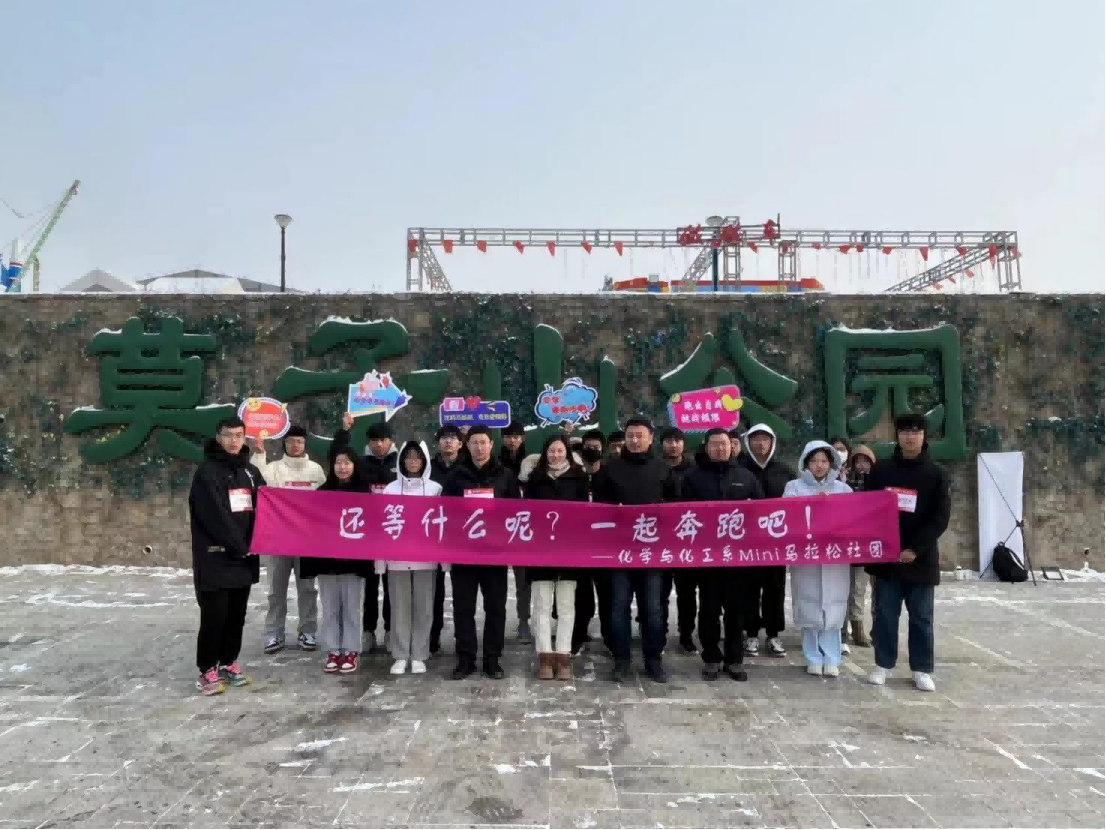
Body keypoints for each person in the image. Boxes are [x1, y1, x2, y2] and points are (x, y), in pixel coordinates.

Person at [865, 413, 951, 693]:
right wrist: (884, 545)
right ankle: (883, 664)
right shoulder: (882, 471)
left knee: (922, 618)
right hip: (888, 559)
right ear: (898, 436)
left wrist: (915, 548)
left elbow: (940, 517)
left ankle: (922, 668)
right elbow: (868, 509)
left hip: (920, 559)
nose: (909, 437)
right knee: (885, 616)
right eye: (904, 432)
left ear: (924, 437)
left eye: (915, 432)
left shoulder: (937, 474)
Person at [592, 417, 674, 683]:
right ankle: (622, 659)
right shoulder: (610, 469)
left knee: (653, 609)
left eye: (640, 435)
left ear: (651, 438)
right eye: (630, 436)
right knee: (618, 608)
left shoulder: (663, 469)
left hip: (652, 552)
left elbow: (676, 507)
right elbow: (598, 508)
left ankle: (653, 659)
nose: (635, 440)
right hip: (620, 553)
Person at [189, 417, 266, 695]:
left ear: (245, 438)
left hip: (244, 559)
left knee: (236, 614)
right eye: (228, 435)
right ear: (218, 437)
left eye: (238, 435)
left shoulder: (250, 472)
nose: (234, 441)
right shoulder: (207, 473)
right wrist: (239, 545)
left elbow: (268, 504)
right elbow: (214, 516)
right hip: (216, 558)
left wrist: (264, 539)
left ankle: (229, 662)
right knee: (215, 615)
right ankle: (207, 669)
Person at [682, 428, 765, 681]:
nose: (719, 448)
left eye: (724, 444)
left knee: (736, 611)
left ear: (732, 447)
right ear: (706, 447)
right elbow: (683, 514)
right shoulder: (692, 477)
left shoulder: (746, 477)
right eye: (714, 444)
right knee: (708, 610)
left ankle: (735, 659)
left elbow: (761, 513)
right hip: (706, 557)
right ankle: (711, 658)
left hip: (737, 558)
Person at [442, 425, 520, 679]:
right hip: (464, 554)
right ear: (467, 445)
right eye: (474, 442)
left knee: (496, 608)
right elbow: (445, 511)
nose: (479, 447)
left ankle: (492, 659)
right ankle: (465, 659)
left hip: (494, 554)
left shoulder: (504, 475)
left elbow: (515, 512)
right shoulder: (456, 476)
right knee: (463, 609)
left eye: (483, 442)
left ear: (491, 445)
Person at [300, 416, 376, 674]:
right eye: (338, 463)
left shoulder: (364, 493)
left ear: (354, 465)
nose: (342, 467)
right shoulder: (322, 493)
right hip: (328, 561)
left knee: (352, 608)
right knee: (330, 607)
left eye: (347, 463)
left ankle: (351, 650)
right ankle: (333, 649)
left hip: (355, 562)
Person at [249, 425, 326, 654]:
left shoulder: (315, 470)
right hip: (278, 540)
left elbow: (325, 503)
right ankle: (274, 633)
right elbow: (256, 482)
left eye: (299, 441)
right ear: (284, 443)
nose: (295, 445)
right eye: (291, 441)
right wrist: (259, 453)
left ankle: (308, 631)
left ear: (305, 444)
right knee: (276, 590)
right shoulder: (273, 468)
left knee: (308, 590)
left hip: (307, 542)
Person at [520, 434, 590, 680]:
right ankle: (545, 657)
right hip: (541, 551)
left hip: (570, 551)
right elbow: (526, 513)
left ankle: (563, 656)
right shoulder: (535, 479)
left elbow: (585, 514)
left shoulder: (579, 478)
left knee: (567, 606)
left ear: (567, 452)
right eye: (552, 450)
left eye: (560, 450)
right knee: (541, 605)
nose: (556, 455)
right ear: (545, 453)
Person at [784, 441, 853, 678]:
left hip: (834, 558)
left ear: (831, 463)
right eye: (814, 461)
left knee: (834, 605)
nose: (819, 465)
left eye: (824, 460)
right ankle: (812, 657)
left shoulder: (843, 489)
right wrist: (812, 504)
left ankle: (832, 658)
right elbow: (787, 516)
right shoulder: (793, 487)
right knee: (809, 604)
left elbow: (853, 519)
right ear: (805, 463)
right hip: (807, 556)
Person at [379, 441, 444, 675]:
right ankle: (400, 654)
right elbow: (382, 526)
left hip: (427, 559)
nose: (413, 461)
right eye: (408, 457)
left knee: (424, 608)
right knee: (399, 608)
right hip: (396, 560)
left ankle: (419, 654)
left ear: (424, 461)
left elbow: (442, 524)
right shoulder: (390, 489)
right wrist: (380, 560)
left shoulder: (436, 489)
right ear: (401, 461)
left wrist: (444, 559)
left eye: (417, 457)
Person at [739, 424, 794, 657]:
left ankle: (773, 634)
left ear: (772, 442)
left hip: (776, 543)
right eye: (756, 439)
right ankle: (751, 633)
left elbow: (796, 503)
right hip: (747, 542)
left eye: (765, 439)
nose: (760, 444)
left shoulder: (784, 471)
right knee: (749, 589)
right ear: (748, 442)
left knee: (775, 588)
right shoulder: (740, 469)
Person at [658, 427, 698, 654]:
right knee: (659, 592)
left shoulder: (694, 470)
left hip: (687, 541)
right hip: (659, 540)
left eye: (677, 441)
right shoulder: (655, 468)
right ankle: (659, 632)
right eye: (668, 441)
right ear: (661, 444)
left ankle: (686, 634)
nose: (673, 445)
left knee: (687, 592)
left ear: (683, 444)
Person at [428, 424, 464, 655]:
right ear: (438, 443)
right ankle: (432, 637)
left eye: (453, 437)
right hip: (433, 535)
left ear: (461, 443)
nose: (448, 441)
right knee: (434, 590)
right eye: (444, 438)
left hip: (462, 536)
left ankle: (463, 640)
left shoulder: (468, 467)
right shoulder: (428, 468)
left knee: (462, 592)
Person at [573, 431, 609, 655]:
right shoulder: (574, 477)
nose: (591, 450)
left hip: (605, 548)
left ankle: (610, 638)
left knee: (607, 597)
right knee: (581, 598)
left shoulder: (610, 476)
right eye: (588, 446)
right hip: (579, 548)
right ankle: (577, 637)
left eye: (596, 447)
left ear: (602, 449)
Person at [362, 422, 396, 652]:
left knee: (392, 586)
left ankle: (392, 630)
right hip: (369, 535)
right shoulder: (361, 464)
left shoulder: (400, 463)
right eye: (375, 440)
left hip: (394, 533)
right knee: (370, 587)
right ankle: (368, 631)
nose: (379, 444)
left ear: (391, 440)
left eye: (383, 440)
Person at [499, 421, 533, 645]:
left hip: (524, 528)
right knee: (496, 580)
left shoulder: (532, 461)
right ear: (502, 439)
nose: (512, 440)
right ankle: (496, 622)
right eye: (509, 436)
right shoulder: (496, 462)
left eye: (516, 436)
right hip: (498, 528)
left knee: (523, 580)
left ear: (522, 438)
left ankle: (523, 621)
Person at [842, 445, 877, 649]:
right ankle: (856, 628)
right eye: (858, 461)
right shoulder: (847, 484)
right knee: (857, 588)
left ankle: (878, 629)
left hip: (879, 543)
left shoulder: (880, 481)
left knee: (879, 590)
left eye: (866, 460)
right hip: (857, 544)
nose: (862, 465)